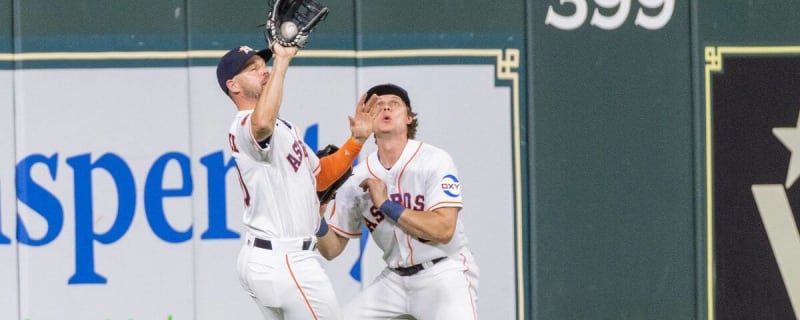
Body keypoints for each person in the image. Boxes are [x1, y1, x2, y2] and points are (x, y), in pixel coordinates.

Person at [216, 43, 378, 320]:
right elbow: (261, 124)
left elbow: (321, 176)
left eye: (263, 65)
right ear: (234, 85)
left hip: (275, 257)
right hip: (286, 258)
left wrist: (356, 141)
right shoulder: (243, 126)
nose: (263, 72)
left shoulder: (285, 127)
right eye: (252, 69)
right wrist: (282, 60)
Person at [316, 83, 480, 319]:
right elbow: (331, 249)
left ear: (409, 118)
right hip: (394, 279)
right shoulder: (356, 178)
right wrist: (316, 213)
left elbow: (444, 230)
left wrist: (386, 205)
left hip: (444, 272)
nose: (385, 109)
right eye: (378, 106)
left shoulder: (434, 160)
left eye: (394, 104)